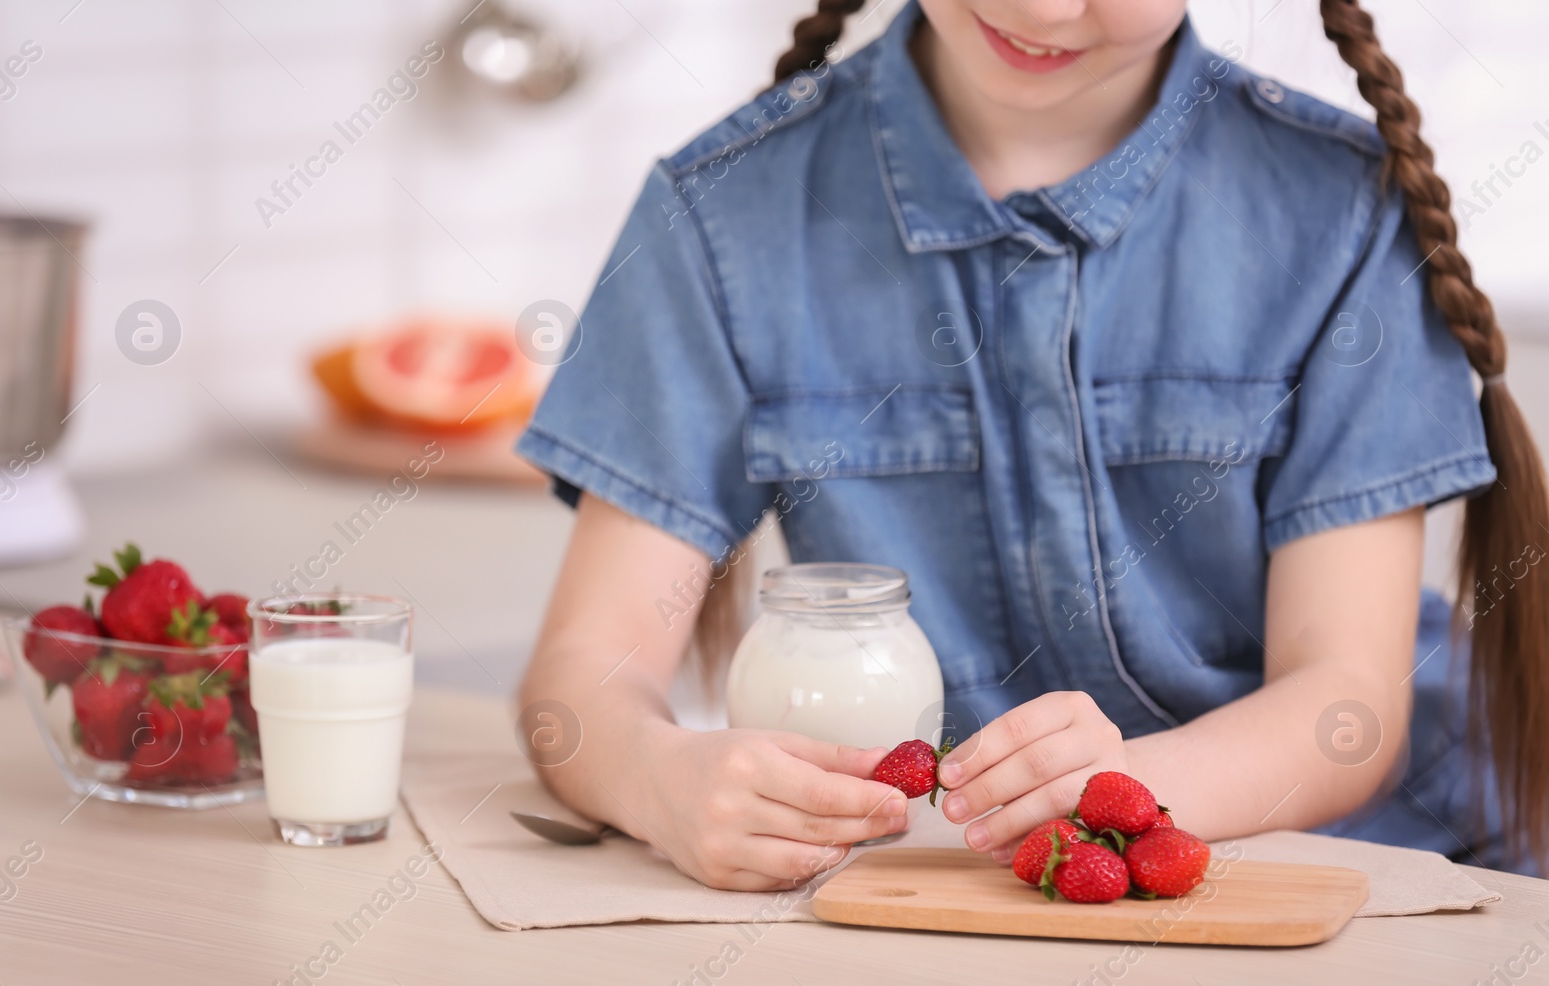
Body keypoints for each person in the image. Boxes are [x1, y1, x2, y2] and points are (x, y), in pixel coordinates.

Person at [513, 0, 1548, 890]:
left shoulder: (1342, 212)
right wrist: (658, 776)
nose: (1045, 8)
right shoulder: (720, 212)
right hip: (968, 907)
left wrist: (1124, 793)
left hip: (1373, 872)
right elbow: (583, 675)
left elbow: (1345, 703)